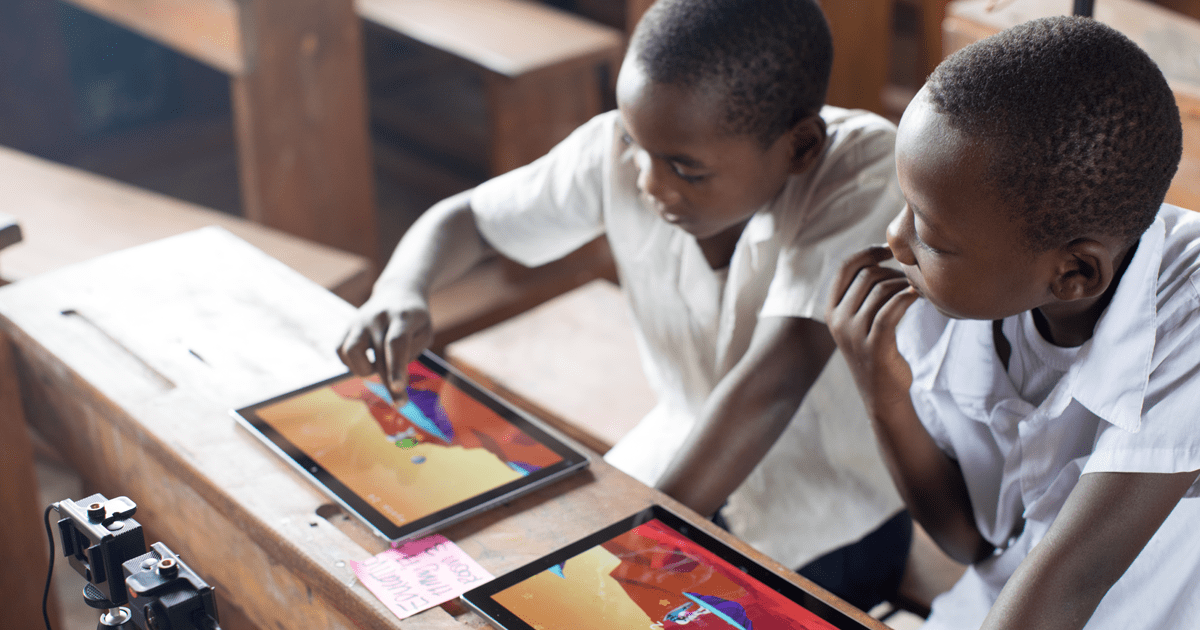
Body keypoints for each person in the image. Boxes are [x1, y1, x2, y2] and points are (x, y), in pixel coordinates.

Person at [340, 0, 908, 610]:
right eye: (637, 145)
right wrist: (402, 286)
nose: (648, 182)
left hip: (825, 519)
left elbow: (774, 382)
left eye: (686, 170)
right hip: (676, 457)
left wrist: (621, 543)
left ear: (799, 148)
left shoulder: (864, 169)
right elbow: (469, 220)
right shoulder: (631, 144)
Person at [827, 15, 1200, 630]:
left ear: (1075, 274)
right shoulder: (962, 293)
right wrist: (882, 388)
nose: (895, 239)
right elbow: (974, 543)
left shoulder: (1186, 320)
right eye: (907, 207)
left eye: (930, 233)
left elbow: (1073, 582)